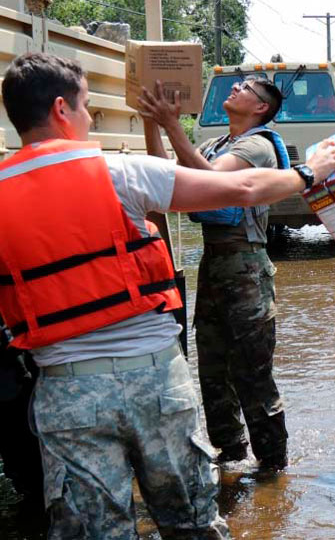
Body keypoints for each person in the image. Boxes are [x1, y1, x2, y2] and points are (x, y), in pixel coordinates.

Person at [0, 52, 335, 537]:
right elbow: (240, 188)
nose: (90, 117)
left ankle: (261, 459)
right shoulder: (120, 173)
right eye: (87, 105)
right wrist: (310, 171)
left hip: (65, 391)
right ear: (60, 110)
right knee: (191, 524)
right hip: (154, 380)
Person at [138, 76, 294, 469]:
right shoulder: (214, 145)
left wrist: (173, 126)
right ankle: (231, 454)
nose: (235, 88)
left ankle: (273, 468)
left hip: (246, 265)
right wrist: (151, 124)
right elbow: (166, 182)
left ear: (261, 107)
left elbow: (215, 182)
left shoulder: (257, 145)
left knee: (252, 373)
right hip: (214, 263)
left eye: (245, 88)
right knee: (211, 367)